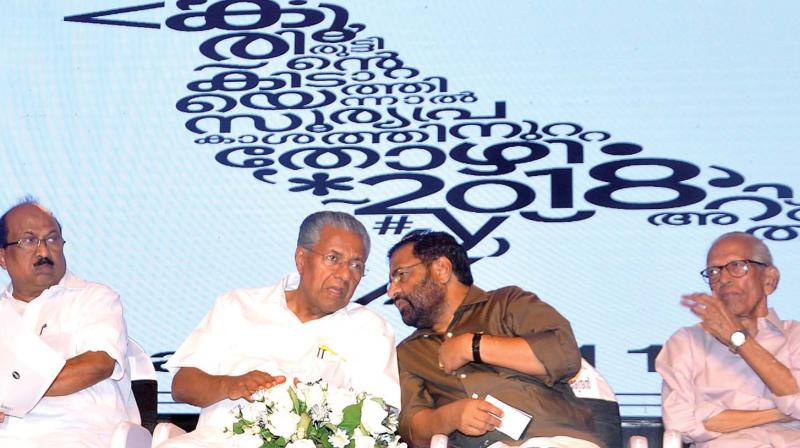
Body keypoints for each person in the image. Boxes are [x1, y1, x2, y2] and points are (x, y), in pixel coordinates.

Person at [162, 211, 400, 447]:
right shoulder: (239, 305)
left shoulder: (370, 329)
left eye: (356, 265)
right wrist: (230, 385)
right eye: (333, 259)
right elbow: (183, 385)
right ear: (301, 259)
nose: (345, 274)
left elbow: (382, 415)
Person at [388, 230, 603, 448]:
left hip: (556, 441)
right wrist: (451, 416)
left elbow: (563, 355)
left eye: (400, 275)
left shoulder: (507, 303)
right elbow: (411, 430)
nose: (391, 291)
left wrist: (472, 346)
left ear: (441, 269)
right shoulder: (409, 353)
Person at [0, 198, 138, 447]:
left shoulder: (94, 298)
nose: (43, 251)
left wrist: (9, 393)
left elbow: (97, 365)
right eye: (29, 241)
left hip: (76, 432)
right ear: (2, 256)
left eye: (52, 239)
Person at [657, 231, 800, 447]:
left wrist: (739, 340)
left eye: (737, 267)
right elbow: (681, 424)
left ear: (769, 279)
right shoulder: (686, 342)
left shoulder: (795, 336)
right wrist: (779, 414)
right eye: (714, 272)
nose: (723, 279)